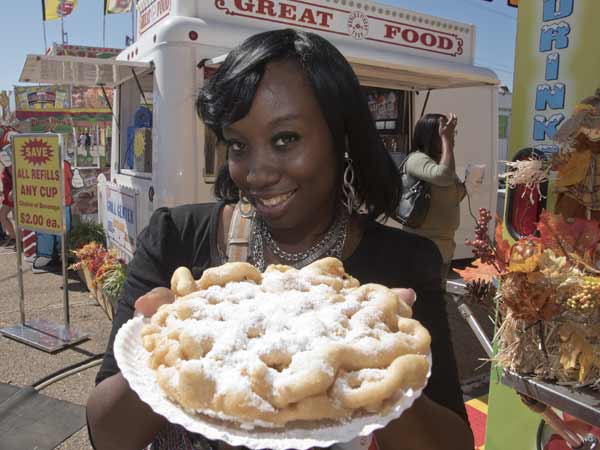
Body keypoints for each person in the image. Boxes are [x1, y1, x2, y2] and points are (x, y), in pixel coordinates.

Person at [87, 29, 473, 450]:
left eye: (285, 139)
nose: (257, 172)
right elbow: (108, 438)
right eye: (238, 145)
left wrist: (385, 373)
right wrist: (158, 341)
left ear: (341, 137)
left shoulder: (400, 268)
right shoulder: (176, 240)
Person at [399, 113, 466, 287]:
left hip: (443, 248)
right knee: (421, 302)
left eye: (453, 132)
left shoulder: (442, 162)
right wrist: (447, 141)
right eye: (445, 131)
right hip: (422, 248)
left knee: (434, 302)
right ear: (430, 135)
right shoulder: (417, 158)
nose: (451, 135)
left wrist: (468, 185)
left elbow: (453, 195)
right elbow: (443, 176)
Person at [32, 159, 74, 273]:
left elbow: (71, 181)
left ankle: (58, 255)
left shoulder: (64, 164)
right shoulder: (37, 163)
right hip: (47, 203)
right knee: (47, 230)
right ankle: (46, 256)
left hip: (60, 203)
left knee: (63, 230)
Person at [0, 164, 15, 250]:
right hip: (6, 197)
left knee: (16, 220)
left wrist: (13, 190)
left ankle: (20, 241)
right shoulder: (5, 166)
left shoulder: (12, 166)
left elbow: (19, 180)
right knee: (2, 216)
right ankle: (13, 237)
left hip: (13, 198)